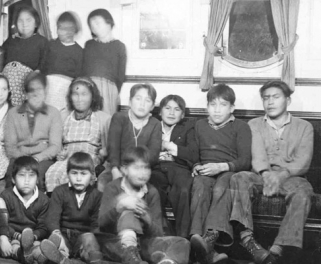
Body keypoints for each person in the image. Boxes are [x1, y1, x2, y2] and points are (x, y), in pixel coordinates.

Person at [192, 81, 314, 264]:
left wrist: (280, 176)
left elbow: (303, 162)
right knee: (239, 178)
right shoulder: (255, 124)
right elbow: (256, 156)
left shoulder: (304, 127)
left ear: (288, 100)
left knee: (303, 193)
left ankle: (279, 248)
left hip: (291, 177)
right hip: (261, 174)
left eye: (276, 97)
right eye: (266, 98)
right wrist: (266, 175)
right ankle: (247, 239)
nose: (270, 102)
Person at [189, 84, 252, 264]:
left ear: (232, 108)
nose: (217, 110)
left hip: (229, 170)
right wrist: (196, 165)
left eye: (223, 105)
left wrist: (222, 166)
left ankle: (210, 237)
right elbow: (194, 153)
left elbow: (245, 161)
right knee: (200, 185)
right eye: (212, 104)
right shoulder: (199, 125)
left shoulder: (241, 126)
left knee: (221, 187)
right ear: (206, 106)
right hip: (206, 170)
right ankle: (197, 239)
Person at [97, 147, 190, 264]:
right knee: (127, 214)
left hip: (144, 243)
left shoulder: (151, 192)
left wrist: (146, 217)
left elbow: (158, 233)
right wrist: (119, 207)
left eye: (146, 168)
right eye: (136, 168)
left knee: (182, 243)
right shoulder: (113, 187)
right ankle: (133, 255)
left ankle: (167, 261)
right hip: (118, 242)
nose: (142, 173)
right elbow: (102, 224)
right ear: (124, 170)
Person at [45, 77, 110, 193]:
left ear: (92, 96)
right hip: (67, 158)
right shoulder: (63, 116)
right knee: (53, 173)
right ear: (70, 97)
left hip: (89, 159)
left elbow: (106, 149)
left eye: (84, 94)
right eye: (75, 94)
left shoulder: (103, 118)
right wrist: (59, 154)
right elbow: (56, 144)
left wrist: (100, 157)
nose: (80, 99)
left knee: (77, 175)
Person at [5, 72, 63, 193]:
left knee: (38, 175)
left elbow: (55, 146)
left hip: (43, 158)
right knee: (12, 176)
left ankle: (38, 210)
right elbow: (10, 147)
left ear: (45, 92)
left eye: (40, 89)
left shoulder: (53, 113)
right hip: (19, 158)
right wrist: (24, 160)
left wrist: (37, 158)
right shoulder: (13, 113)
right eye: (32, 90)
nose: (36, 94)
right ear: (25, 94)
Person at [97, 83, 161, 192]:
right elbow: (113, 148)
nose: (142, 104)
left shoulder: (155, 124)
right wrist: (115, 170)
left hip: (142, 169)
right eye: (138, 99)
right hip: (117, 166)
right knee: (104, 183)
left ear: (152, 106)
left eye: (147, 100)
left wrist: (135, 171)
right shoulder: (119, 118)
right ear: (130, 102)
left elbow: (153, 155)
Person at [41, 152, 104, 264]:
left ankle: (88, 257)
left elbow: (96, 224)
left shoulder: (97, 195)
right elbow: (52, 218)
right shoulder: (59, 191)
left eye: (83, 174)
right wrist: (57, 233)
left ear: (92, 175)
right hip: (64, 234)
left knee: (90, 240)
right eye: (74, 173)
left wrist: (92, 241)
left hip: (83, 236)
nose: (78, 178)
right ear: (68, 174)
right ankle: (61, 256)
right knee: (55, 240)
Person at [148, 95, 197, 238]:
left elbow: (193, 153)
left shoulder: (188, 128)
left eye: (177, 109)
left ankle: (183, 237)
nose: (171, 113)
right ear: (160, 112)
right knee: (154, 190)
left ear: (182, 115)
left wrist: (172, 148)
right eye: (167, 108)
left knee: (183, 190)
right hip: (156, 168)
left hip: (179, 168)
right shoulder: (152, 126)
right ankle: (159, 235)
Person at [0, 156, 50, 263]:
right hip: (12, 236)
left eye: (31, 176)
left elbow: (43, 227)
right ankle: (22, 255)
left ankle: (41, 257)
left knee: (38, 246)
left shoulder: (44, 200)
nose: (26, 181)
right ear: (13, 179)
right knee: (13, 246)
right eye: (21, 175)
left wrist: (33, 237)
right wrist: (19, 237)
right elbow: (2, 223)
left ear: (38, 179)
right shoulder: (6, 196)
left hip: (33, 238)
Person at [2, 5, 49, 106]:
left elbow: (45, 62)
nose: (24, 24)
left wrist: (36, 73)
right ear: (15, 24)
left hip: (26, 88)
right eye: (20, 21)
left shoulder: (42, 41)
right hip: (6, 89)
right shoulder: (11, 41)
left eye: (28, 20)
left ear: (36, 23)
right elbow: (0, 58)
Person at [83, 9, 126, 115]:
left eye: (97, 23)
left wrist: (114, 91)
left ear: (109, 22)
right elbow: (83, 69)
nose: (94, 27)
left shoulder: (119, 46)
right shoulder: (89, 44)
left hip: (109, 90)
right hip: (89, 88)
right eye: (91, 25)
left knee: (106, 121)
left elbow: (120, 74)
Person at [42, 12, 83, 111]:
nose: (67, 32)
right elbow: (43, 66)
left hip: (66, 89)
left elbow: (79, 75)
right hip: (49, 88)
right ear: (57, 29)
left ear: (75, 30)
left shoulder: (79, 51)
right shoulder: (51, 45)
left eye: (70, 28)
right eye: (62, 28)